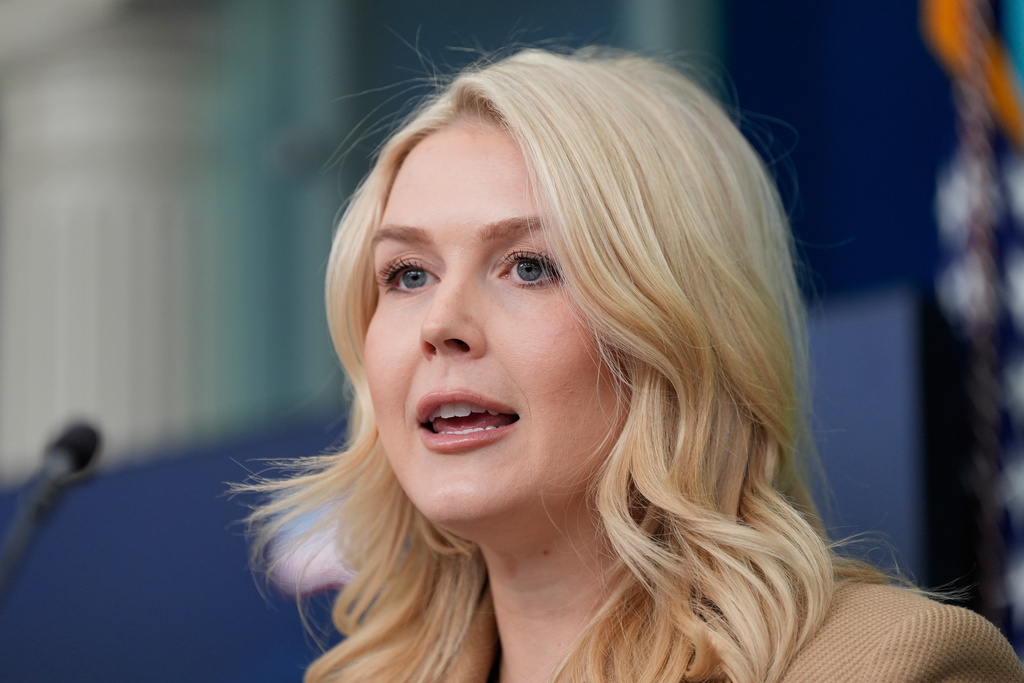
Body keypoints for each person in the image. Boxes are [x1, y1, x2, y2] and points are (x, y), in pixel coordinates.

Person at [247, 47, 1024, 682]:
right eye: (407, 275)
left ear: (680, 329)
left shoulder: (895, 666)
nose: (441, 324)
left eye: (527, 265)